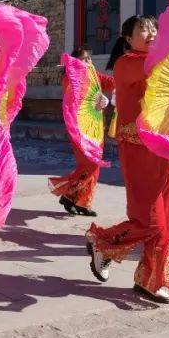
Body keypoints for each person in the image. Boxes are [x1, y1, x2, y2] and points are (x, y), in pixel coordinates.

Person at [85, 14, 169, 304]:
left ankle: (150, 280)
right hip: (141, 148)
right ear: (128, 38)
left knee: (168, 218)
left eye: (154, 27)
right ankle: (102, 243)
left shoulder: (166, 62)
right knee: (151, 220)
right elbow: (155, 68)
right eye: (143, 28)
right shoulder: (127, 63)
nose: (151, 32)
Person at [48, 46, 114, 217]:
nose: (88, 62)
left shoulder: (95, 76)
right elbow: (75, 101)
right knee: (89, 165)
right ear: (75, 62)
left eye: (89, 59)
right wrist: (96, 101)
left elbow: (112, 81)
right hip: (79, 128)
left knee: (95, 166)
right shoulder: (70, 78)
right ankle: (69, 194)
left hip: (95, 127)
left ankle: (80, 201)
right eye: (84, 59)